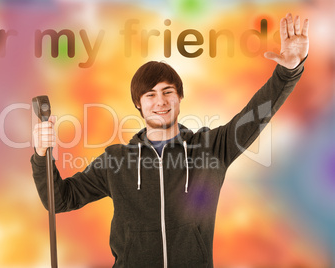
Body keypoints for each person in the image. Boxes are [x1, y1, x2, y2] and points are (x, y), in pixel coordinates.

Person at [31, 13, 309, 268]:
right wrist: (42, 154)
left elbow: (256, 114)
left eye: (168, 92)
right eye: (150, 95)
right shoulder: (115, 161)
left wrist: (288, 72)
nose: (160, 101)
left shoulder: (211, 148)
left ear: (179, 97)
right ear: (138, 105)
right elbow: (61, 199)